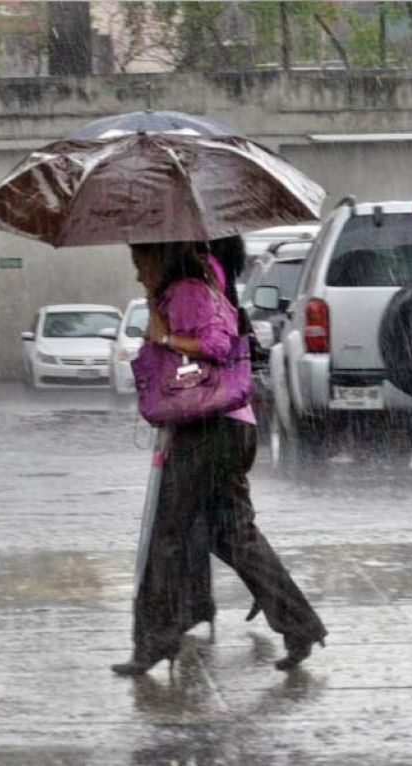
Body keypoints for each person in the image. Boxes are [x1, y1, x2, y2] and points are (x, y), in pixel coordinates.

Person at [114, 240, 327, 676]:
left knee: (168, 535)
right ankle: (300, 624)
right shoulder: (184, 289)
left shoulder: (190, 289)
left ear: (160, 257)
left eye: (140, 263)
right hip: (227, 427)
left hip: (210, 429)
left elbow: (216, 344)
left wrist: (165, 337)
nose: (137, 273)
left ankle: (154, 641)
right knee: (232, 535)